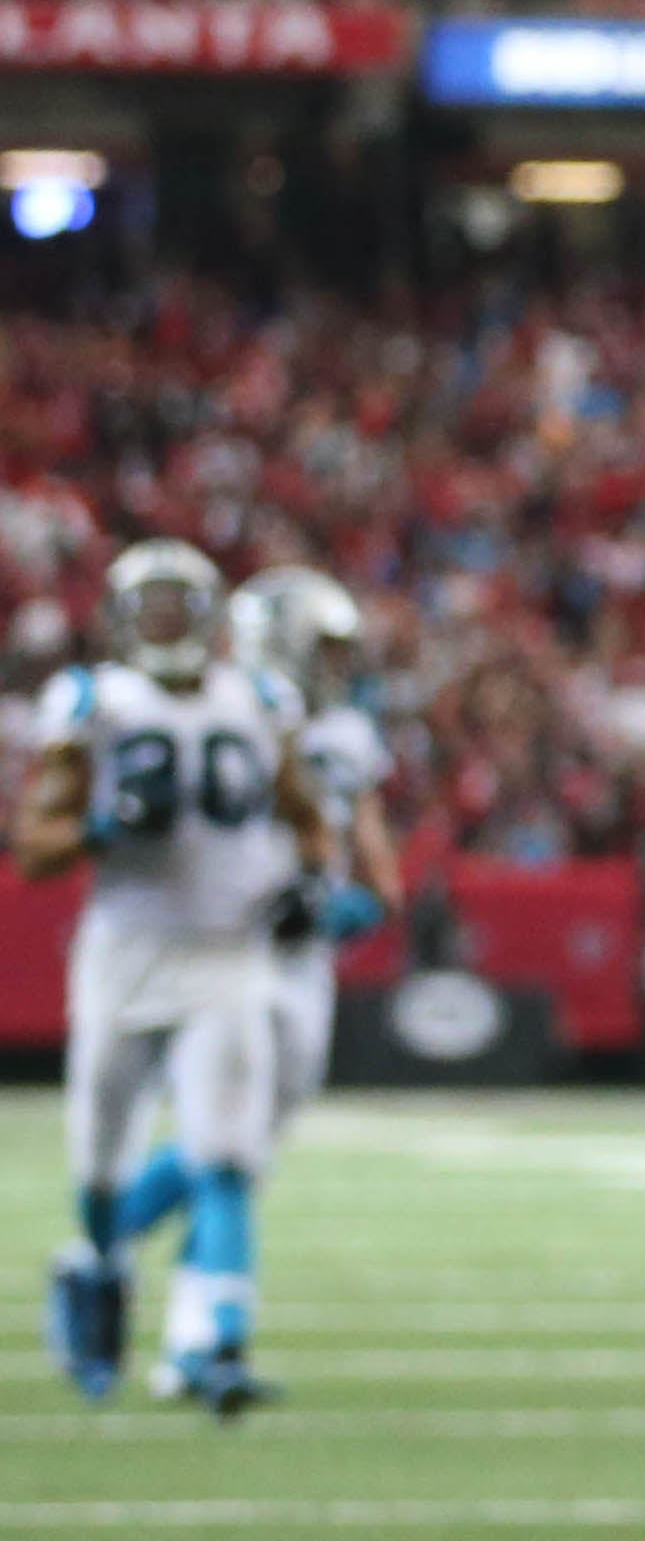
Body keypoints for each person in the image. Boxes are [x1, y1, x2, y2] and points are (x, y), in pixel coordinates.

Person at [17, 541, 334, 1414]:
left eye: (178, 606)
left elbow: (308, 817)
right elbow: (35, 846)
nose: (164, 623)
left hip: (228, 954)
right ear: (122, 620)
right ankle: (96, 1264)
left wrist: (310, 883)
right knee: (100, 1165)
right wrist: (101, 828)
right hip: (125, 951)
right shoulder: (95, 703)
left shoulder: (259, 700)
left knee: (226, 1154)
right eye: (150, 607)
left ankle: (218, 1341)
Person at [231, 569, 402, 1159]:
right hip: (234, 925)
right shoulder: (231, 712)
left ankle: (186, 1207)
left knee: (287, 1093)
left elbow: (367, 827)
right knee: (226, 1100)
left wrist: (377, 895)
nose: (337, 664)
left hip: (307, 930)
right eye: (324, 648)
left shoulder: (348, 729)